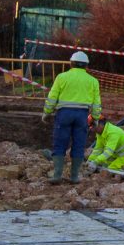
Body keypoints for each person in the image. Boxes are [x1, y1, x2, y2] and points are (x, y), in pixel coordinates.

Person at [44, 50, 103, 182]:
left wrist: (47, 112)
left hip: (64, 114)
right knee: (79, 144)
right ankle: (74, 177)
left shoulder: (62, 77)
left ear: (71, 64)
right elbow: (96, 103)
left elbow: (52, 97)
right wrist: (95, 118)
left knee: (59, 143)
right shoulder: (93, 81)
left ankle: (57, 175)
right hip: (82, 115)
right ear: (86, 66)